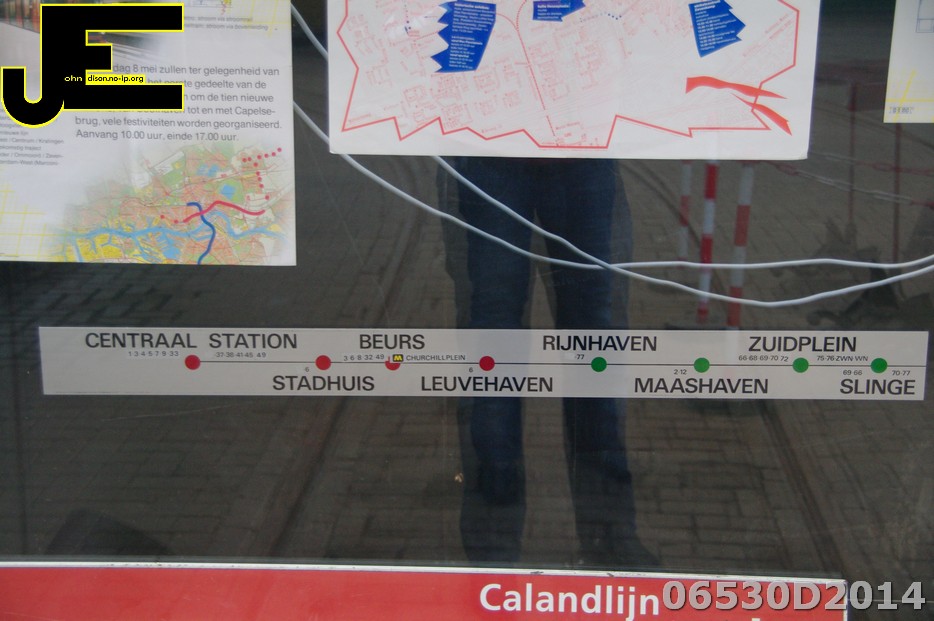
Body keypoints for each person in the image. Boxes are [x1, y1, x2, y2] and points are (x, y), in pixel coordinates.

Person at [439, 156, 657, 567]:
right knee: (500, 353)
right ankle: (500, 549)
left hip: (562, 150)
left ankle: (595, 537)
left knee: (587, 349)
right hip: (501, 149)